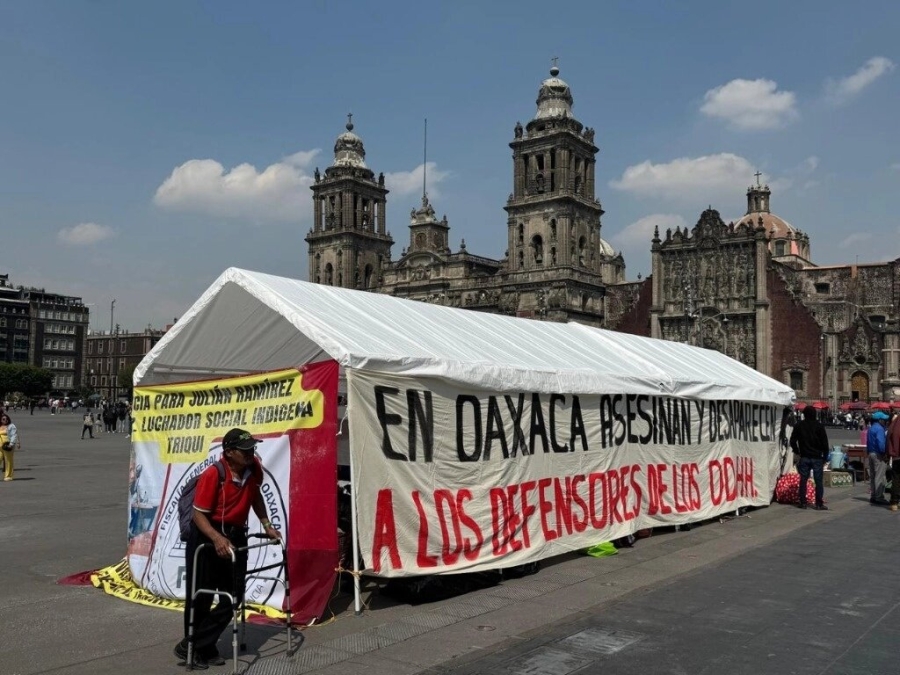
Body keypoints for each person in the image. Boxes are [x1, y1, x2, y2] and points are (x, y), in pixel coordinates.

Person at [174, 428, 281, 669]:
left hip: (235, 534)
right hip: (207, 533)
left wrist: (267, 525)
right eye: (245, 450)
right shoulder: (214, 474)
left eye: (252, 448)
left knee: (234, 594)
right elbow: (198, 515)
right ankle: (202, 648)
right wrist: (216, 538)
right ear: (230, 452)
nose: (250, 453)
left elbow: (255, 496)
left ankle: (193, 644)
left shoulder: (253, 469)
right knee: (201, 595)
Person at [790, 406, 831, 510]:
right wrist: (825, 457)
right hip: (817, 457)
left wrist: (797, 451)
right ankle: (819, 503)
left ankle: (803, 502)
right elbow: (825, 443)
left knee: (803, 480)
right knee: (818, 481)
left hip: (804, 456)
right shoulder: (819, 426)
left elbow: (792, 441)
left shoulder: (799, 425)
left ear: (804, 414)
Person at [867, 411, 890, 505]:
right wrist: (884, 453)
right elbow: (881, 444)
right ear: (880, 420)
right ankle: (879, 496)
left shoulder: (871, 428)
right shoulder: (880, 429)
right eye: (884, 420)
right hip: (878, 454)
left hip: (871, 453)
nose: (885, 421)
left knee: (873, 476)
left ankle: (873, 495)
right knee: (879, 476)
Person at [888, 411, 900, 511]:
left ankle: (894, 502)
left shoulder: (895, 424)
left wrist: (889, 453)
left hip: (896, 456)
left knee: (896, 479)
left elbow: (888, 438)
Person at [0, 412, 18, 481]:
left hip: (7, 446)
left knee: (8, 461)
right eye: (3, 419)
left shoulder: (11, 426)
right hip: (0, 446)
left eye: (6, 419)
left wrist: (11, 444)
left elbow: (14, 435)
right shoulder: (0, 426)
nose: (5, 420)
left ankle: (8, 476)